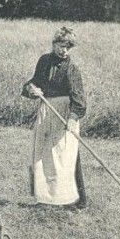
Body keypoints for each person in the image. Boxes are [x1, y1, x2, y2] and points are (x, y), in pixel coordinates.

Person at [22, 27, 87, 208]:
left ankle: (69, 199)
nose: (64, 50)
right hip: (46, 111)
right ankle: (45, 198)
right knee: (43, 154)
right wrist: (31, 90)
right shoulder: (44, 61)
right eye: (61, 46)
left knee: (64, 157)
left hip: (64, 114)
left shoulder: (72, 70)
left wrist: (73, 118)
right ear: (54, 44)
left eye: (68, 47)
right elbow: (33, 82)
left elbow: (80, 101)